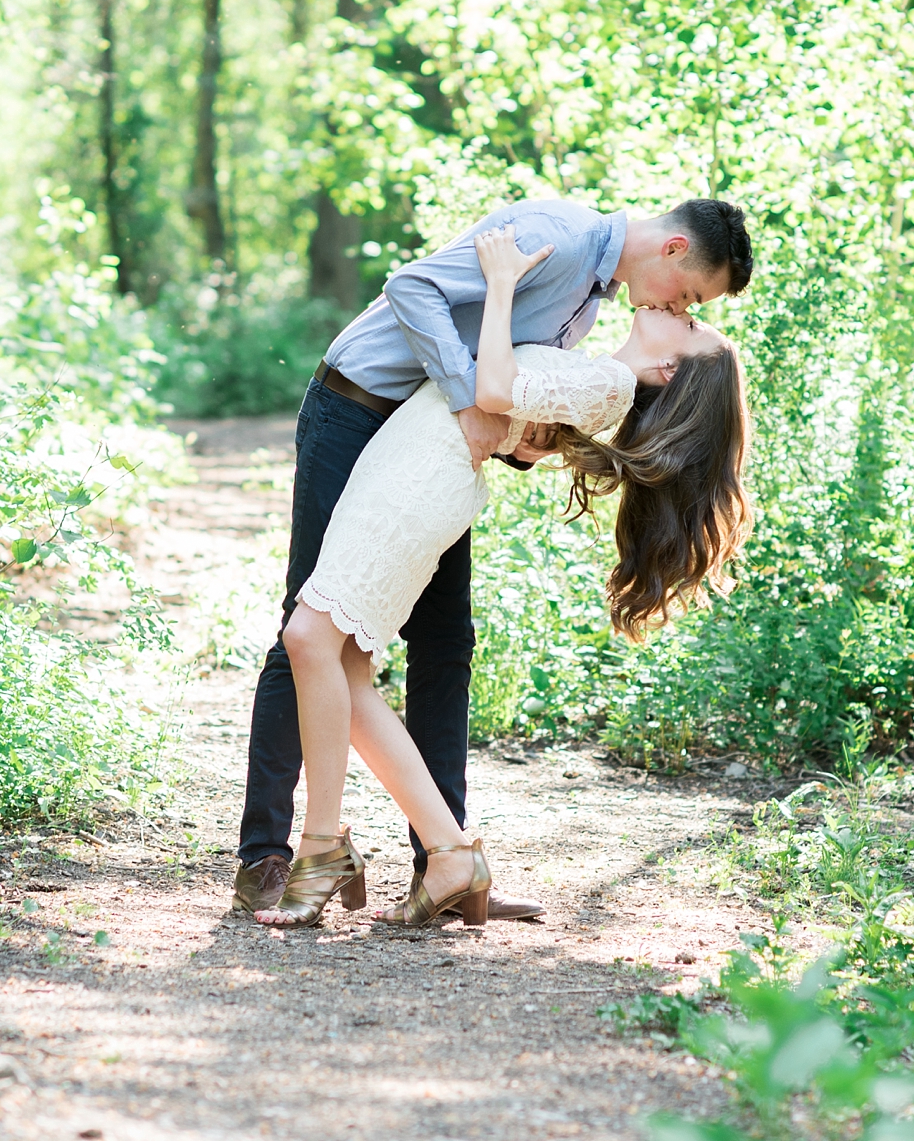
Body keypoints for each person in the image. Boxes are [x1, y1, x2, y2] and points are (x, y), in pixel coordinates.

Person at [229, 196, 754, 920]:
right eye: (691, 296)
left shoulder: (596, 311)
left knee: (439, 642)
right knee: (310, 636)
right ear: (671, 251)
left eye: (692, 313)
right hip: (360, 412)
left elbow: (511, 386)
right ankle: (270, 854)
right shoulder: (560, 240)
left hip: (429, 456)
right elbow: (414, 291)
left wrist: (518, 433)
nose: (684, 310)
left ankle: (440, 863)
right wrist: (477, 401)